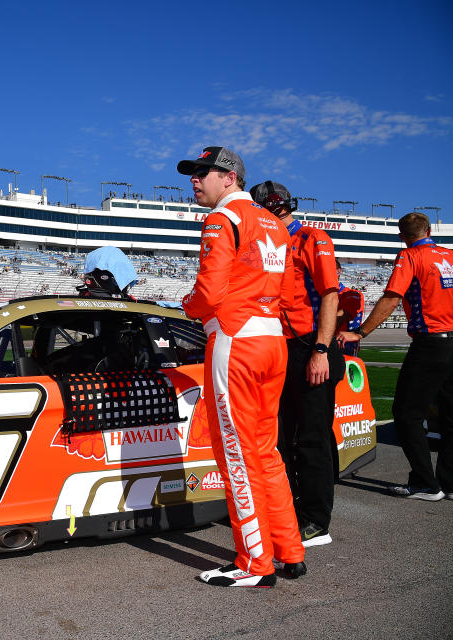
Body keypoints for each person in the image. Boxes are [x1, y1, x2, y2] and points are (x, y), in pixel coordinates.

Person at [178, 147, 304, 587]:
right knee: (266, 451)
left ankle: (254, 563)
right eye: (192, 174)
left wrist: (186, 306)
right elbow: (288, 296)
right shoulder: (275, 222)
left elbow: (209, 294)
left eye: (202, 173)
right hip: (273, 340)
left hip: (236, 340)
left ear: (229, 177)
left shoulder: (221, 219)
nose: (194, 180)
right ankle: (289, 550)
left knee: (236, 451)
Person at [249, 181, 344, 549]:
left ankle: (317, 522)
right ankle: (287, 512)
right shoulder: (269, 241)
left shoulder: (311, 237)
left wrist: (320, 349)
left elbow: (330, 295)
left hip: (311, 347)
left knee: (311, 439)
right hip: (282, 348)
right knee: (282, 437)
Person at [338, 212, 453, 500]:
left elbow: (391, 298)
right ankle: (449, 482)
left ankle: (425, 483)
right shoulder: (449, 256)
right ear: (428, 229)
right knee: (451, 414)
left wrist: (360, 333)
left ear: (402, 236)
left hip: (430, 342)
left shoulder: (410, 257)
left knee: (406, 413)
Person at [335, 258, 364, 356]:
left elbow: (337, 319)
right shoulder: (317, 296)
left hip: (343, 351)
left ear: (338, 271)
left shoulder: (352, 294)